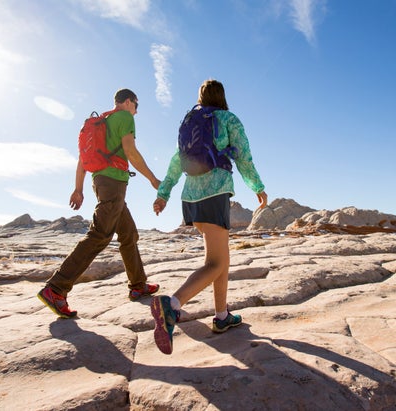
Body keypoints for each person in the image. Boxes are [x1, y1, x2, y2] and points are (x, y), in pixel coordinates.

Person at [150, 79, 268, 354]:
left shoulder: (191, 120)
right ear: (222, 96)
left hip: (191, 197)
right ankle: (173, 304)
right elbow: (244, 157)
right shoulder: (228, 118)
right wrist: (257, 187)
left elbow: (176, 160)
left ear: (200, 97)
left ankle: (222, 316)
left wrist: (164, 193)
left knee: (218, 260)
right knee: (217, 262)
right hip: (215, 193)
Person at [38, 88, 162, 319]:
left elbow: (83, 160)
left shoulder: (101, 122)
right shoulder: (124, 117)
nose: (136, 112)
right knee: (100, 235)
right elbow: (130, 150)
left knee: (128, 234)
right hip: (113, 184)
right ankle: (55, 288)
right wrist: (153, 179)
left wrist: (78, 189)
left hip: (102, 182)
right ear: (128, 102)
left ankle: (138, 285)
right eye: (136, 106)